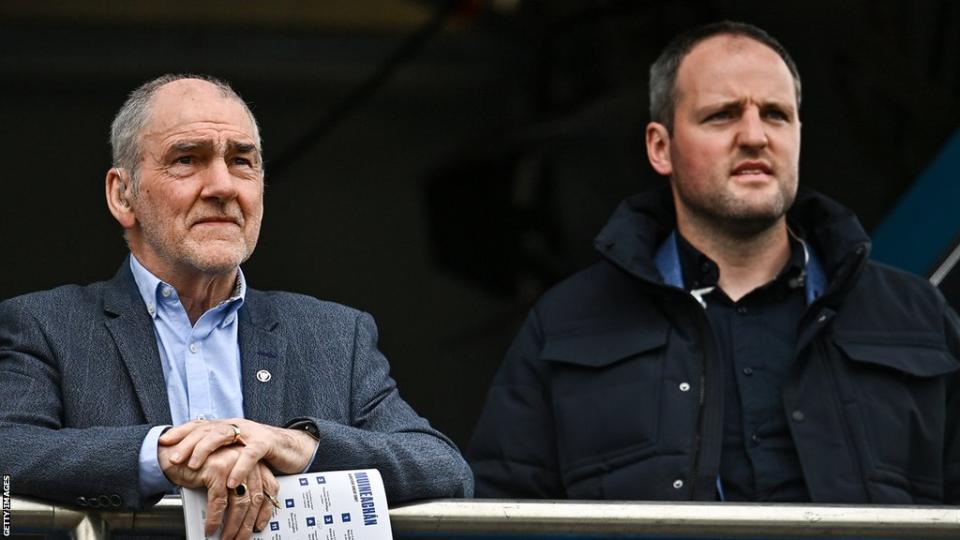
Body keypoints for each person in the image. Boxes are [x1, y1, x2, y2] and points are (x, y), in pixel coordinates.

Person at [468, 21, 960, 504]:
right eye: (722, 115)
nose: (754, 136)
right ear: (661, 148)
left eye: (775, 115)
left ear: (799, 136)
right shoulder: (565, 324)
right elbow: (502, 515)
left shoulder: (917, 316)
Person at [0, 74, 472, 539]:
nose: (223, 186)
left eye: (242, 161)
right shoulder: (47, 326)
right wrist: (168, 456)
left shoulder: (333, 334)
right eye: (188, 159)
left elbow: (445, 469)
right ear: (123, 195)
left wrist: (299, 445)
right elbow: (8, 452)